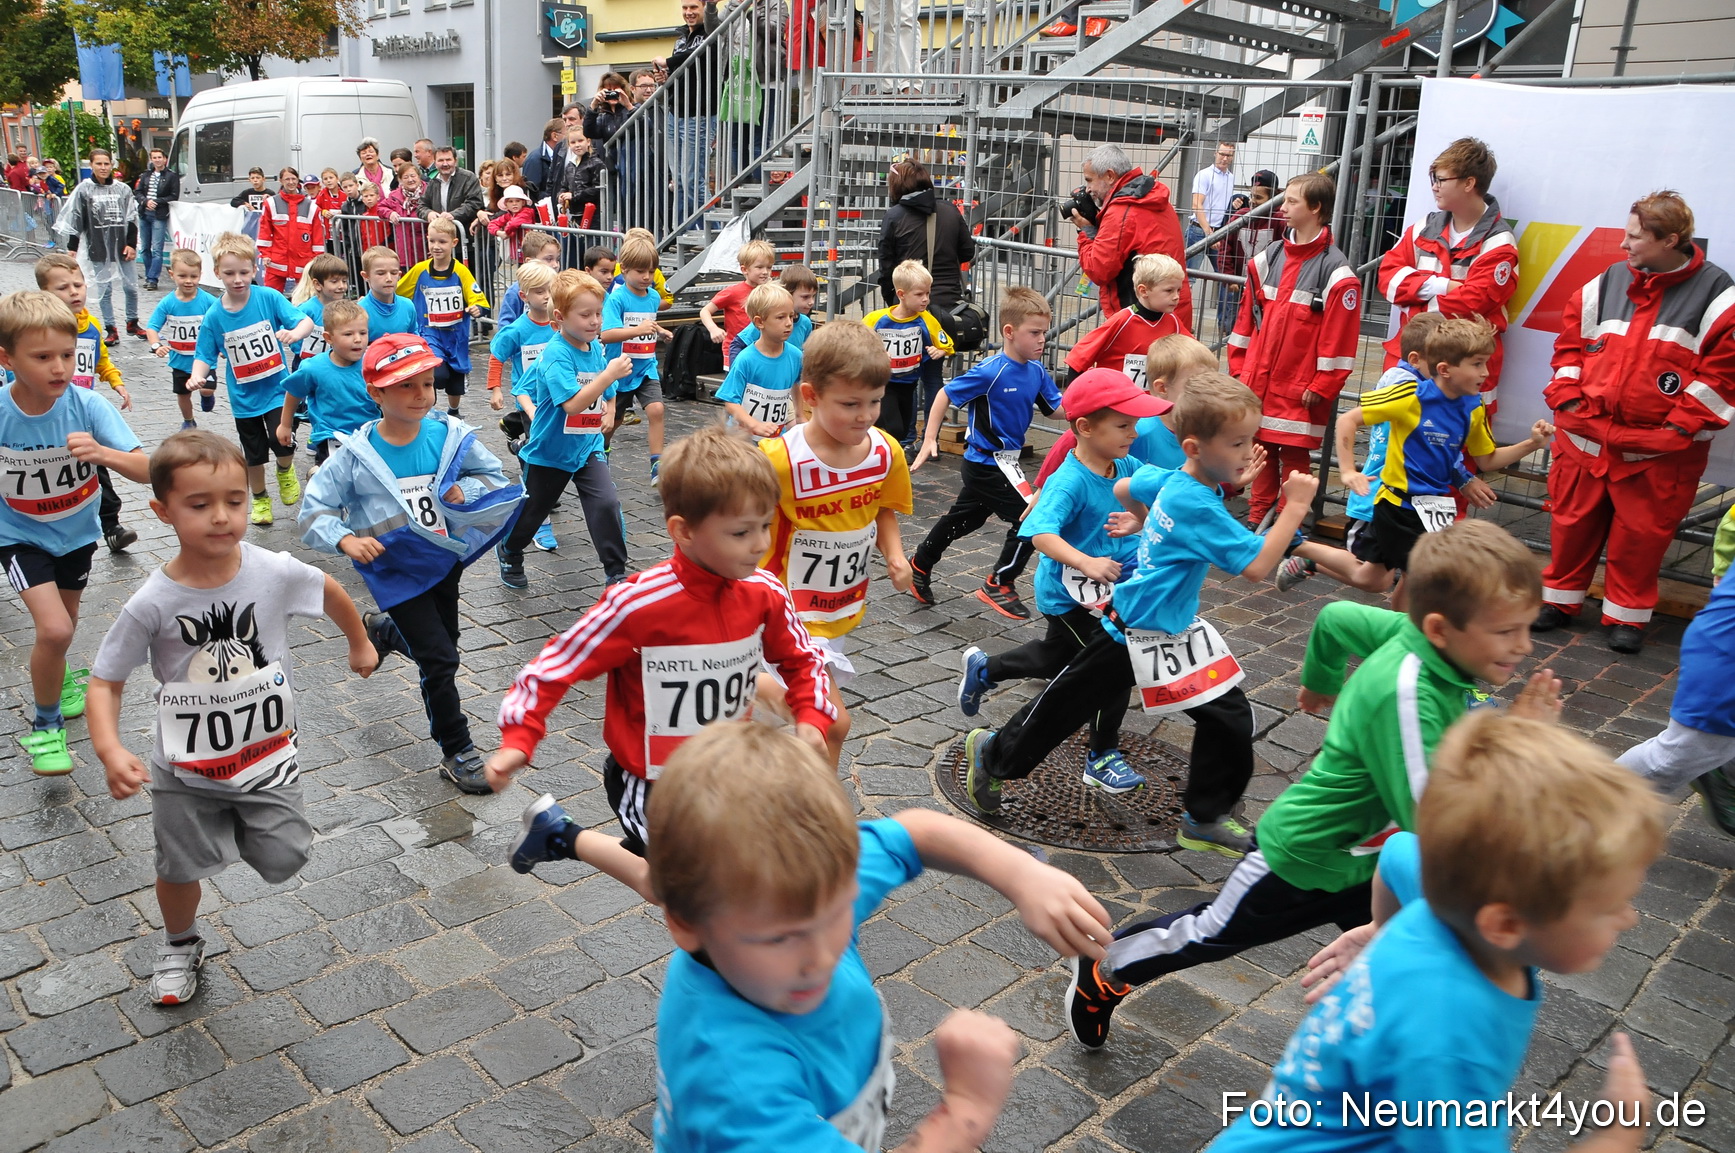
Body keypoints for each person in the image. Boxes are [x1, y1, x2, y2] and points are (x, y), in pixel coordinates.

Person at [1061, 518, 1557, 1051]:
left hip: (1370, 862)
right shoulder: (1409, 691)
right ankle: (1104, 967)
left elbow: (1338, 617)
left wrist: (1320, 683)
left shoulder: (1417, 642)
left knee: (1410, 958)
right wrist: (1521, 746)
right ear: (1440, 629)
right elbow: (1435, 823)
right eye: (1507, 632)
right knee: (1210, 933)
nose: (1524, 647)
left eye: (1525, 628)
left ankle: (1399, 1058)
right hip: (1306, 854)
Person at [1212, 712, 1659, 1153]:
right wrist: (1617, 1136)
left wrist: (1379, 927)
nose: (1629, 919)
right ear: (1504, 925)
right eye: (1610, 907)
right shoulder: (1449, 1045)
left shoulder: (1442, 898)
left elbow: (1397, 854)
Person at [963, 372, 1319, 841]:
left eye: (1248, 440)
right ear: (1193, 448)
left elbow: (1127, 490)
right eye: (1237, 444)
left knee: (1228, 714)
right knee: (1062, 708)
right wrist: (1294, 508)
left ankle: (1204, 817)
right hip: (1128, 628)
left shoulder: (1165, 478)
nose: (1247, 453)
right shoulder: (1193, 502)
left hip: (1170, 628)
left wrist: (1140, 522)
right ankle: (992, 754)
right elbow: (1256, 567)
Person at [86, 432, 377, 1004]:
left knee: (284, 857)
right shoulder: (151, 601)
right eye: (200, 505)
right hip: (184, 767)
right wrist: (108, 748)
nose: (222, 517)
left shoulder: (274, 570)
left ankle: (236, 823)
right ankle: (179, 942)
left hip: (265, 757)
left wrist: (360, 641)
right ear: (162, 511)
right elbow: (105, 680)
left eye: (236, 501)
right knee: (177, 866)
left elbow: (330, 588)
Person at [485, 425, 839, 855]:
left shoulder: (765, 590)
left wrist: (812, 718)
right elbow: (553, 666)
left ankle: (560, 836)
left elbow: (803, 660)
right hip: (655, 783)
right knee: (699, 888)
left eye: (765, 525)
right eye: (741, 533)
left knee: (697, 886)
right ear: (683, 531)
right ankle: (568, 839)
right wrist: (519, 739)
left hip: (728, 771)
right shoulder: (637, 604)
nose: (760, 545)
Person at [301, 333, 524, 795]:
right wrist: (343, 538)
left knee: (446, 646)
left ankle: (385, 632)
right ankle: (456, 748)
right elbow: (314, 510)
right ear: (376, 394)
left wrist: (471, 491)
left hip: (443, 560)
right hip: (394, 570)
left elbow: (494, 477)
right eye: (406, 387)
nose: (422, 395)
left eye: (427, 384)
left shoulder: (449, 435)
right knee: (440, 660)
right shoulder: (354, 456)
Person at [1534, 190, 1735, 654]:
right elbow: (1569, 348)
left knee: (1641, 539)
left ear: (1671, 240)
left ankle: (1626, 618)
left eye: (1634, 238)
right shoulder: (1606, 282)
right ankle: (1560, 603)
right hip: (1587, 440)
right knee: (1571, 525)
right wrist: (1566, 400)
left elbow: (1722, 376)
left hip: (1656, 454)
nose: (1623, 246)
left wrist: (1676, 429)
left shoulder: (1719, 297)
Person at [1277, 318, 1552, 604]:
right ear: (1445, 370)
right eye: (1477, 364)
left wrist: (1531, 444)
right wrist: (1347, 471)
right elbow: (1349, 419)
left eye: (1486, 363)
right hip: (1396, 506)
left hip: (1433, 507)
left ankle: (1296, 546)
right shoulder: (1410, 395)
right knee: (1421, 577)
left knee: (1372, 580)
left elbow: (1487, 459)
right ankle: (1404, 639)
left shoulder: (1474, 407)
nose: (1486, 372)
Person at [956, 370, 1161, 749]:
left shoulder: (1126, 465)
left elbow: (1167, 482)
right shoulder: (1069, 480)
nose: (1134, 434)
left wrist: (1204, 473)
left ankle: (985, 669)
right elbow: (1039, 533)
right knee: (1110, 664)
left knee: (1054, 658)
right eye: (1124, 425)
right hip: (1068, 596)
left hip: (1104, 589)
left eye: (1135, 424)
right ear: (1085, 427)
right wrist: (1085, 562)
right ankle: (1102, 754)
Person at [0, 291, 150, 775]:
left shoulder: (87, 406)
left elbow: (148, 469)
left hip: (77, 534)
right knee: (56, 628)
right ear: (7, 359)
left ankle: (57, 676)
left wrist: (104, 455)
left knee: (62, 627)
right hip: (18, 536)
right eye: (42, 357)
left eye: (67, 354)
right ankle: (45, 728)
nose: (60, 367)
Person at [753, 321, 910, 767]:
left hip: (840, 607)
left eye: (875, 401)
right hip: (786, 613)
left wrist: (894, 555)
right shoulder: (779, 461)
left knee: (785, 722)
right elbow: (737, 524)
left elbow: (883, 508)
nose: (865, 415)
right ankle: (817, 817)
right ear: (811, 396)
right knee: (831, 722)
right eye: (850, 404)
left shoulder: (884, 452)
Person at [906, 286, 1055, 620]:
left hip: (1007, 463)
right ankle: (998, 583)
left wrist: (1096, 405)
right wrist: (930, 437)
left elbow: (1056, 410)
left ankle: (920, 563)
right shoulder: (991, 371)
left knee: (963, 520)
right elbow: (945, 392)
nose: (1042, 339)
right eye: (1034, 333)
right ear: (1009, 332)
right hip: (986, 463)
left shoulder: (1037, 372)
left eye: (1044, 332)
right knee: (1032, 518)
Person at [1226, 173, 1359, 528]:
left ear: (1315, 209)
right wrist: (1239, 369)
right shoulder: (1269, 259)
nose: (1282, 208)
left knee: (1296, 455)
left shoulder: (1337, 272)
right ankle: (1258, 518)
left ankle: (1290, 525)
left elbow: (1340, 340)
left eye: (1292, 202)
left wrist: (1322, 385)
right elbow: (1245, 322)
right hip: (1260, 380)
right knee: (1261, 450)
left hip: (1300, 388)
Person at [494, 270, 633, 590]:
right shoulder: (555, 354)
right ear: (560, 317)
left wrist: (610, 408)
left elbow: (604, 391)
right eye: (585, 315)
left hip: (586, 446)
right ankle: (510, 549)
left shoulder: (593, 347)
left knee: (606, 503)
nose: (595, 321)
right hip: (550, 451)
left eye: (598, 313)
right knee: (532, 513)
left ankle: (615, 572)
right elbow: (571, 403)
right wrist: (610, 375)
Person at [1376, 137, 1518, 401]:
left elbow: (1472, 304)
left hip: (1462, 372)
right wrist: (1442, 285)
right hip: (1411, 362)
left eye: (1441, 179)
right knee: (1396, 441)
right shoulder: (1424, 227)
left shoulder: (1499, 242)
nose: (1434, 187)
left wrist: (1413, 301)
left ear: (1469, 183)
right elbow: (1387, 279)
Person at [188, 232, 314, 526]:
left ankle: (285, 470)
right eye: (229, 273)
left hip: (276, 389)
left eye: (244, 272)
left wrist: (295, 333)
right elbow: (204, 355)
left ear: (254, 269)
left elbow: (304, 321)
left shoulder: (267, 297)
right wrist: (197, 377)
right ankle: (259, 498)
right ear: (217, 273)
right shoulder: (214, 316)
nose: (237, 279)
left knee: (280, 439)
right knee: (254, 455)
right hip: (243, 398)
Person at [1330, 312, 1447, 576]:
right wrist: (1348, 471)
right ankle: (1307, 556)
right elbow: (1352, 419)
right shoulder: (1406, 387)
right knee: (1361, 566)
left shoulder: (1417, 382)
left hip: (1402, 492)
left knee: (1392, 572)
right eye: (1439, 360)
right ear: (1416, 359)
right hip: (1377, 490)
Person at [35, 252, 138, 552]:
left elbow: (101, 360)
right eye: (63, 288)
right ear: (45, 293)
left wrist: (117, 383)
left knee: (98, 470)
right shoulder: (37, 330)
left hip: (80, 417)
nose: (74, 292)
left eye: (78, 285)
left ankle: (112, 526)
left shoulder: (92, 325)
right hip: (44, 418)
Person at [1033, 332, 1217, 488]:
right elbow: (1074, 437)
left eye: (1211, 384)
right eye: (1196, 384)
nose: (1207, 392)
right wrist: (1044, 486)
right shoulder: (1141, 429)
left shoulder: (1203, 428)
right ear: (1162, 388)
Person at [487, 260, 561, 550]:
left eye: (550, 289)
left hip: (560, 399)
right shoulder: (517, 330)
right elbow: (496, 356)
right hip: (530, 401)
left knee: (552, 450)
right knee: (539, 458)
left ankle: (520, 447)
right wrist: (495, 390)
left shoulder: (561, 323)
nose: (546, 296)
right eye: (539, 291)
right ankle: (541, 526)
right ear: (524, 297)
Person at [1071, 143, 1191, 322]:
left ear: (1110, 176)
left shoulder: (1122, 211)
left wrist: (1086, 230)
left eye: (1089, 180)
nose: (1087, 189)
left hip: (1142, 317)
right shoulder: (1152, 198)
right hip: (1171, 312)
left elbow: (1099, 269)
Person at [398, 217, 489, 419]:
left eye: (442, 242)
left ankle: (454, 412)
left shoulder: (461, 271)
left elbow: (478, 298)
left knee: (455, 381)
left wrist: (477, 308)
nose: (436, 247)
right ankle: (429, 411)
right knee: (436, 374)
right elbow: (397, 292)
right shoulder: (420, 269)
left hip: (456, 335)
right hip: (429, 332)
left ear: (454, 243)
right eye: (432, 241)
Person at [601, 234, 674, 482]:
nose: (647, 277)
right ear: (625, 269)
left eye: (651, 272)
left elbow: (647, 324)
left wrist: (660, 331)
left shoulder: (653, 297)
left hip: (646, 366)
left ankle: (657, 463)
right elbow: (607, 334)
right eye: (641, 271)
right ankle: (602, 451)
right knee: (613, 422)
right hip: (620, 369)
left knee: (656, 409)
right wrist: (637, 331)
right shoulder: (617, 299)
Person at [863, 259, 955, 452]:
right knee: (894, 428)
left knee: (903, 431)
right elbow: (856, 340)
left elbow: (946, 343)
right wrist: (876, 352)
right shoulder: (876, 319)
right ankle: (878, 454)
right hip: (884, 384)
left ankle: (877, 448)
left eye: (928, 293)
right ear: (901, 295)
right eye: (920, 294)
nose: (926, 299)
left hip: (909, 384)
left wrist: (939, 351)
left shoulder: (927, 320)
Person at [1063, 252, 1190, 388]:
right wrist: (1075, 402)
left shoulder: (1174, 322)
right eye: (1169, 290)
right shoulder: (1122, 320)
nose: (1176, 296)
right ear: (1143, 291)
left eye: (1178, 290)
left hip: (1154, 405)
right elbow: (1078, 359)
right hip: (1115, 403)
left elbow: (1197, 357)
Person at [56, 148, 141, 345]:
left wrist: (131, 244)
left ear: (112, 165)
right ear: (91, 165)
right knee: (105, 289)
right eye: (98, 164)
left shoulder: (123, 190)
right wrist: (72, 246)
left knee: (131, 287)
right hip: (98, 246)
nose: (103, 167)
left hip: (121, 246)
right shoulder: (84, 190)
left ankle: (132, 322)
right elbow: (76, 219)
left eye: (106, 163)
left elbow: (131, 218)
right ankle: (111, 328)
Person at [277, 299, 376, 467]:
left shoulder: (373, 363)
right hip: (330, 437)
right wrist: (285, 425)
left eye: (363, 333)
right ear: (328, 338)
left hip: (368, 436)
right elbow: (294, 392)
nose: (358, 339)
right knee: (335, 486)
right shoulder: (313, 367)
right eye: (348, 334)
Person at [876, 159, 975, 322]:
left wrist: (893, 301)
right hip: (950, 307)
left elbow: (886, 269)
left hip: (910, 307)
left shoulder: (894, 216)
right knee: (945, 347)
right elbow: (967, 252)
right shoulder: (950, 210)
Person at [717, 283, 803, 437]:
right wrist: (754, 424)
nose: (789, 323)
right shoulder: (746, 359)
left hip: (776, 437)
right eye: (780, 317)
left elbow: (798, 383)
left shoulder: (795, 356)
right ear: (759, 322)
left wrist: (800, 415)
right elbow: (730, 401)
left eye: (791, 316)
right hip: (743, 439)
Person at [662, 0, 720, 227]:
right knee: (679, 180)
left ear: (704, 8)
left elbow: (699, 55)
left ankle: (715, 234)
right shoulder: (680, 38)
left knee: (693, 179)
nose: (688, 13)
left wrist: (667, 62)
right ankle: (681, 232)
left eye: (694, 7)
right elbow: (678, 71)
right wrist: (664, 78)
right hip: (674, 112)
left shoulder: (714, 31)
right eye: (685, 8)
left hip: (700, 113)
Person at [144, 248, 212, 431]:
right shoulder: (168, 303)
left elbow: (222, 322)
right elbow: (152, 327)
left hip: (205, 359)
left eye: (193, 276)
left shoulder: (208, 301)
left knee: (206, 389)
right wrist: (156, 345)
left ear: (200, 275)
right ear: (172, 274)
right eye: (183, 276)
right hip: (180, 361)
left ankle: (206, 396)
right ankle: (189, 421)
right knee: (183, 394)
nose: (188, 281)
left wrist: (221, 345)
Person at [700, 238, 777, 370]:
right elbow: (705, 311)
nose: (765, 271)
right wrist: (713, 329)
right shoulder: (733, 292)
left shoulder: (772, 292)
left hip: (761, 350)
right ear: (744, 269)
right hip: (737, 350)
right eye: (759, 267)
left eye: (769, 267)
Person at [256, 166, 327, 295]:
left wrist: (316, 259)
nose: (291, 182)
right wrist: (265, 254)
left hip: (304, 259)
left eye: (293, 179)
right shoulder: (271, 203)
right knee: (270, 296)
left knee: (306, 297)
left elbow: (317, 236)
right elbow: (264, 231)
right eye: (287, 179)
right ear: (281, 181)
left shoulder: (311, 207)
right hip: (277, 259)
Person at [729, 262, 819, 361]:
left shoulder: (805, 323)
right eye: (805, 297)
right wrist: (738, 370)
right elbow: (738, 344)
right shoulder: (767, 321)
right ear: (788, 293)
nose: (811, 302)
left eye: (813, 296)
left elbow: (806, 353)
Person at [287, 252, 351, 369]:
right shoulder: (308, 308)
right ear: (317, 284)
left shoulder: (344, 309)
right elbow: (288, 327)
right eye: (334, 281)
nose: (341, 286)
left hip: (334, 364)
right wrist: (301, 350)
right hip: (307, 364)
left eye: (344, 281)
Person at [132, 147, 179, 291]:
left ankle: (153, 279)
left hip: (159, 215)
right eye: (154, 157)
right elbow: (138, 192)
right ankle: (148, 275)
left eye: (160, 157)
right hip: (144, 214)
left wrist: (157, 201)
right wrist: (145, 201)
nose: (157, 160)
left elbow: (174, 195)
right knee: (145, 248)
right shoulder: (145, 175)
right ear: (151, 160)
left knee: (157, 249)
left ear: (164, 159)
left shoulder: (172, 176)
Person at [423, 146, 485, 250]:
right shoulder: (433, 182)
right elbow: (422, 205)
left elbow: (474, 203)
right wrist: (428, 213)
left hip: (466, 242)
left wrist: (453, 215)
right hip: (442, 244)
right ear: (435, 162)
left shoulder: (468, 178)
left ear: (455, 161)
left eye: (448, 159)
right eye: (441, 160)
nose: (445, 164)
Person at [358, 246, 417, 340]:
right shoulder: (359, 311)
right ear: (365, 276)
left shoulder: (408, 306)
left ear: (399, 275)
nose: (389, 279)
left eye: (394, 273)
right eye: (381, 273)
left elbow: (415, 339)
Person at [375, 166, 428, 268]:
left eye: (413, 176)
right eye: (406, 177)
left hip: (425, 250)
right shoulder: (394, 195)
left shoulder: (430, 192)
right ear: (400, 180)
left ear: (419, 176)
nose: (410, 180)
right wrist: (390, 213)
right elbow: (380, 207)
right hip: (404, 252)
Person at [520, 119, 569, 201]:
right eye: (566, 134)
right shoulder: (534, 159)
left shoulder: (562, 156)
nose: (569, 138)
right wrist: (552, 198)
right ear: (554, 136)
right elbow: (532, 191)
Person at [486, 186, 536, 261]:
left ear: (523, 202)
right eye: (511, 201)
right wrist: (499, 233)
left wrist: (507, 233)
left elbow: (514, 224)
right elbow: (492, 224)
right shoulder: (508, 215)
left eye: (517, 201)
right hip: (518, 252)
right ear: (506, 204)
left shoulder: (527, 212)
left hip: (530, 251)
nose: (514, 204)